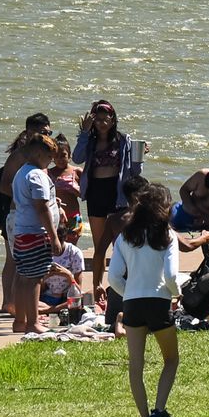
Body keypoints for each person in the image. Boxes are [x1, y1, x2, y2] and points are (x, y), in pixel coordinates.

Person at [107, 184, 184, 417]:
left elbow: (114, 277)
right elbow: (172, 275)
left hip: (132, 303)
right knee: (171, 359)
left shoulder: (125, 236)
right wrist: (175, 293)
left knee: (136, 365)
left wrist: (129, 291)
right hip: (158, 301)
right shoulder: (167, 235)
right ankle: (159, 410)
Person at [73, 100, 142, 306]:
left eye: (106, 119)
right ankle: (97, 288)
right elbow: (76, 158)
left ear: (113, 120)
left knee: (120, 244)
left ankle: (124, 286)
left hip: (117, 193)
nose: (102, 123)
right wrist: (84, 134)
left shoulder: (123, 140)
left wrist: (139, 156)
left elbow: (135, 172)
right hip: (96, 193)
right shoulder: (90, 141)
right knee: (99, 246)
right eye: (98, 119)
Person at [0, 114, 51, 313]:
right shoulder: (19, 156)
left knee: (24, 264)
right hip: (19, 215)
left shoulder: (42, 155)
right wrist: (27, 198)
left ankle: (17, 305)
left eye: (48, 132)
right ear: (29, 132)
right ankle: (9, 302)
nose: (46, 136)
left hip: (31, 216)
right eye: (43, 132)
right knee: (15, 261)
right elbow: (4, 186)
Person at [10, 134, 64, 334]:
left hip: (22, 232)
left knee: (24, 277)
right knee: (35, 279)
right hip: (36, 234)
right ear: (39, 153)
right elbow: (42, 208)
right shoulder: (37, 175)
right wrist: (54, 237)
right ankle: (32, 322)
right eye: (49, 157)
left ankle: (20, 321)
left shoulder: (21, 172)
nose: (51, 161)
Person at [50, 135, 84, 245]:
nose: (60, 159)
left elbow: (88, 195)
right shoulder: (48, 173)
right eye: (56, 156)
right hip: (55, 217)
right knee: (55, 248)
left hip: (73, 216)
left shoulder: (77, 172)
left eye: (63, 155)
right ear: (52, 157)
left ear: (69, 155)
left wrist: (74, 189)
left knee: (71, 248)